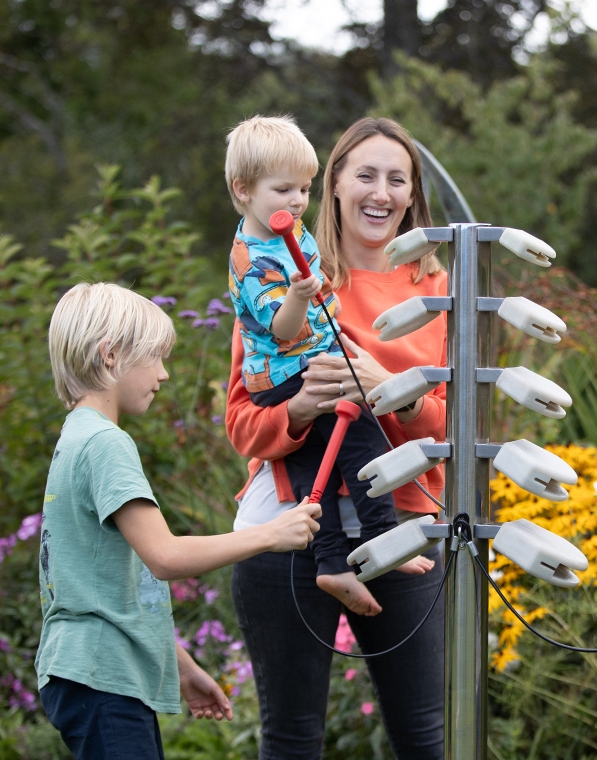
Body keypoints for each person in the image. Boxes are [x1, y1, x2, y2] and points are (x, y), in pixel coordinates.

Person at [226, 116, 448, 759]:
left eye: (397, 179)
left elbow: (453, 427)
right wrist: (298, 409)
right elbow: (244, 425)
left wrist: (389, 388)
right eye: (366, 175)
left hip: (404, 528)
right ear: (333, 188)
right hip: (290, 534)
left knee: (425, 738)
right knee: (292, 738)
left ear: (412, 196)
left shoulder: (440, 293)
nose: (381, 193)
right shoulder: (281, 285)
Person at [36, 282, 321, 760]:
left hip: (90, 670)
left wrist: (178, 663)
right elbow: (165, 556)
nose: (164, 374)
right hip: (102, 675)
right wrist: (271, 533)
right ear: (110, 356)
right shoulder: (106, 444)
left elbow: (102, 583)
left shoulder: (76, 438)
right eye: (154, 358)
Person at [224, 115, 396, 614]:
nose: (297, 201)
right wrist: (302, 296)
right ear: (243, 190)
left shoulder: (289, 230)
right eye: (283, 190)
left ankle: (330, 564)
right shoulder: (250, 260)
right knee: (363, 439)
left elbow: (312, 274)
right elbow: (280, 327)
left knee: (310, 472)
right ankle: (385, 538)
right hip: (285, 373)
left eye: (304, 188)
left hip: (296, 364)